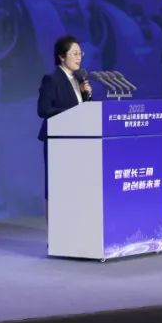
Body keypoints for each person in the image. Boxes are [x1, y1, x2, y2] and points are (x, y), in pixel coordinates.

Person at [37, 35, 92, 201]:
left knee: (77, 187)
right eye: (74, 54)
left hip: (78, 140)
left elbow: (85, 112)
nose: (79, 57)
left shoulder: (79, 80)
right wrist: (73, 112)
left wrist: (86, 96)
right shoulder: (51, 80)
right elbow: (43, 110)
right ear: (62, 56)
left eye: (80, 53)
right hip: (59, 141)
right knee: (57, 188)